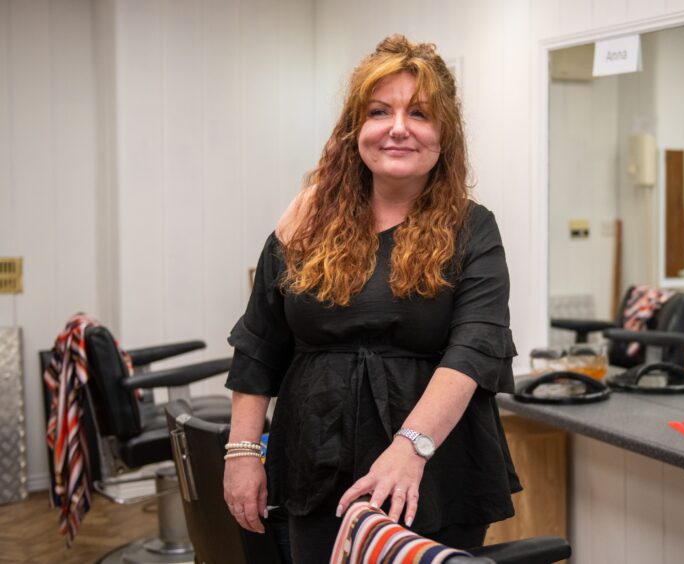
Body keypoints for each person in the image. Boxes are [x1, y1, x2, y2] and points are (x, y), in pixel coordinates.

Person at [223, 34, 521, 563]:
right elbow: (260, 343)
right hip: (315, 464)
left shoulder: (472, 228)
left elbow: (474, 349)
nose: (399, 128)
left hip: (436, 471)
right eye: (380, 111)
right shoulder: (304, 224)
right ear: (354, 130)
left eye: (420, 113)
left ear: (444, 135)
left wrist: (412, 448)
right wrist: (242, 452)